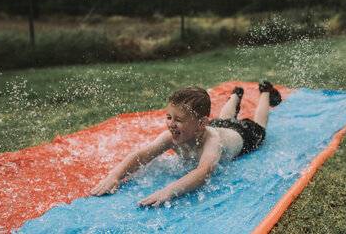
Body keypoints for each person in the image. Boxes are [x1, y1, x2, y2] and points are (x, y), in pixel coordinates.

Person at [90, 81, 282, 207]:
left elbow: (202, 172)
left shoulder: (212, 141)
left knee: (259, 125)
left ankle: (264, 92)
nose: (171, 124)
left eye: (178, 120)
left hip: (243, 135)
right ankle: (235, 96)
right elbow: (142, 155)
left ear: (201, 123)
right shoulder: (177, 134)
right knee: (224, 118)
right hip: (218, 125)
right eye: (168, 117)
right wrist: (115, 175)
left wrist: (169, 190)